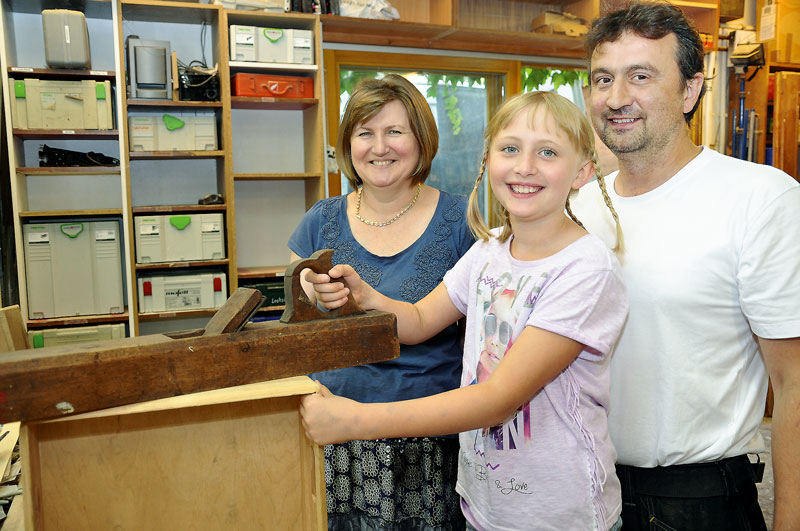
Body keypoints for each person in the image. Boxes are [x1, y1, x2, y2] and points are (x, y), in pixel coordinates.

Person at [300, 91, 629, 531]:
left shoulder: (585, 269)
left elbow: (497, 401)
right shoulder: (490, 249)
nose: (524, 166)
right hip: (484, 504)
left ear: (582, 172)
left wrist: (354, 419)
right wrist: (368, 297)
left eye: (547, 152)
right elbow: (417, 322)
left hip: (557, 512)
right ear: (487, 160)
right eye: (509, 149)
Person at [572, 3, 800, 529]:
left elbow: (792, 385)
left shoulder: (758, 198)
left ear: (691, 91)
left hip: (698, 504)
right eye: (603, 79)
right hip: (584, 492)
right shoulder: (578, 208)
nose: (616, 97)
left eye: (641, 76)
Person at [288, 74, 475, 530]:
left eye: (395, 131)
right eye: (365, 133)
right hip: (331, 434)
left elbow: (479, 343)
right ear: (348, 144)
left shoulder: (460, 221)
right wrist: (310, 295)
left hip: (426, 440)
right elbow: (290, 323)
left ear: (421, 139)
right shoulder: (320, 220)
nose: (379, 147)